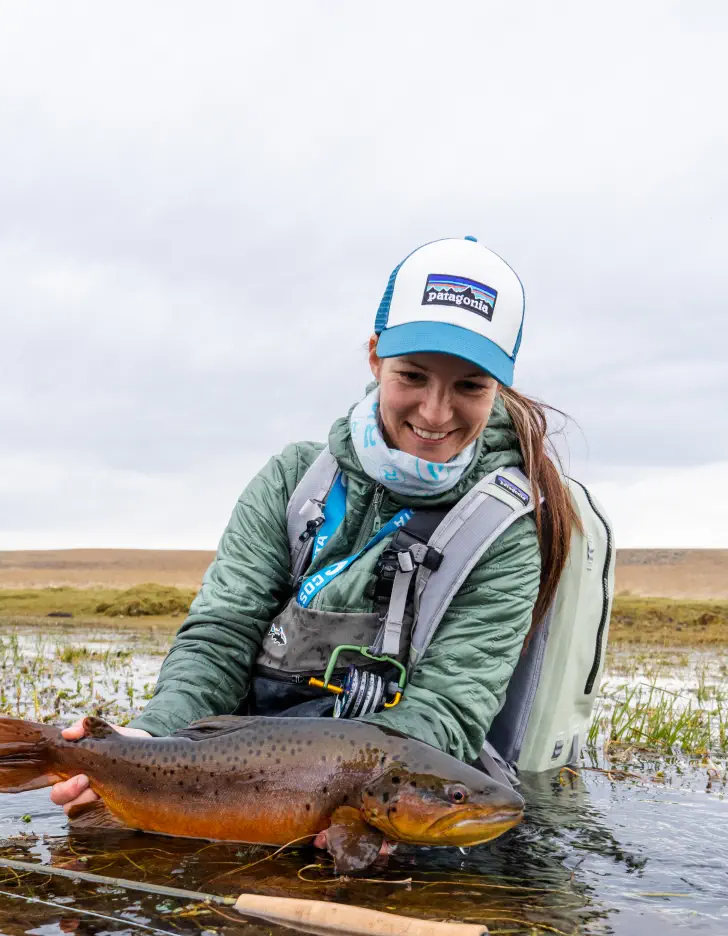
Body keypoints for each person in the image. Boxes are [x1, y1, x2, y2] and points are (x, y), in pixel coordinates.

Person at [51, 237, 576, 824]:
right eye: (413, 375)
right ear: (375, 357)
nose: (434, 412)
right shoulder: (293, 481)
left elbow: (450, 706)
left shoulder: (504, 531)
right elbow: (221, 635)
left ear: (500, 385)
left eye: (469, 386)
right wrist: (149, 739)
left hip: (384, 776)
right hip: (244, 771)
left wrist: (355, 804)